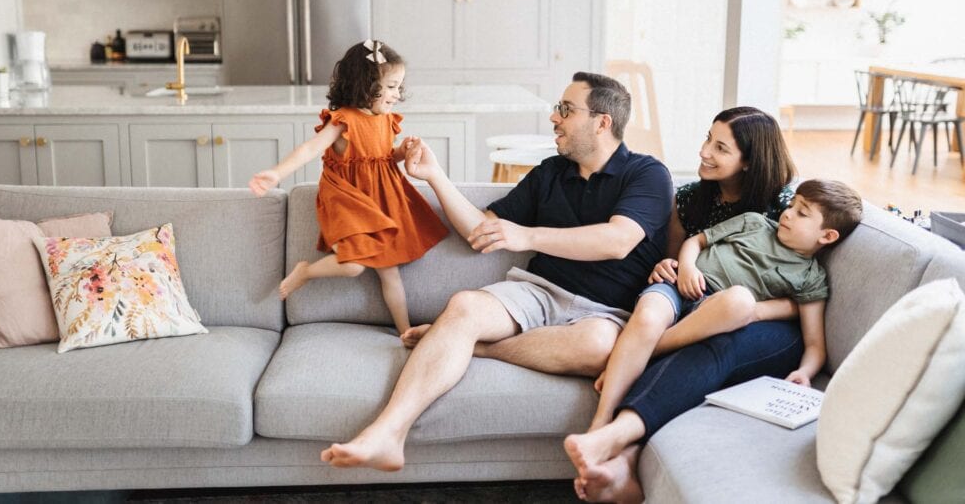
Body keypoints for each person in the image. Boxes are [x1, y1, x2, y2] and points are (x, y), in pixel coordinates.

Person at [319, 72, 674, 472]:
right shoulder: (550, 172)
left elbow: (618, 240)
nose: (554, 118)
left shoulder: (647, 173)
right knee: (465, 306)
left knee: (597, 347)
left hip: (604, 310)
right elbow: (480, 231)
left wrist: (527, 236)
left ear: (602, 122)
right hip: (538, 291)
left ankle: (468, 343)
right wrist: (435, 176)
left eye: (565, 110)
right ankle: (387, 434)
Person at [562, 106, 809, 503]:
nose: (704, 152)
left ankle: (623, 422)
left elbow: (806, 292)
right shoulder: (692, 197)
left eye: (721, 147)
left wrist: (741, 311)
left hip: (754, 319)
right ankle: (602, 428)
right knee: (651, 311)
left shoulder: (783, 207)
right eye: (707, 138)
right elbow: (677, 257)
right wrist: (667, 264)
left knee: (712, 343)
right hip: (691, 297)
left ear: (749, 162)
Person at [584, 178, 863, 433]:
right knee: (647, 318)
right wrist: (687, 268)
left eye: (802, 213)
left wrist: (804, 372)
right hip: (677, 285)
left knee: (740, 300)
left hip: (712, 312)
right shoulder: (755, 222)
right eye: (791, 205)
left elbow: (814, 343)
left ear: (826, 236)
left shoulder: (809, 277)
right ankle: (602, 418)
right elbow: (697, 240)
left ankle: (639, 350)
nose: (788, 213)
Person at [248, 40, 448, 335]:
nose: (397, 94)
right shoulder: (343, 120)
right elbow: (310, 149)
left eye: (398, 87)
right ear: (366, 85)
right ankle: (306, 271)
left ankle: (405, 331)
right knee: (353, 265)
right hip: (347, 197)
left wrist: (402, 153)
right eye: (391, 86)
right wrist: (276, 173)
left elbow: (380, 158)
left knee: (390, 272)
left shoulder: (386, 120)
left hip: (380, 199)